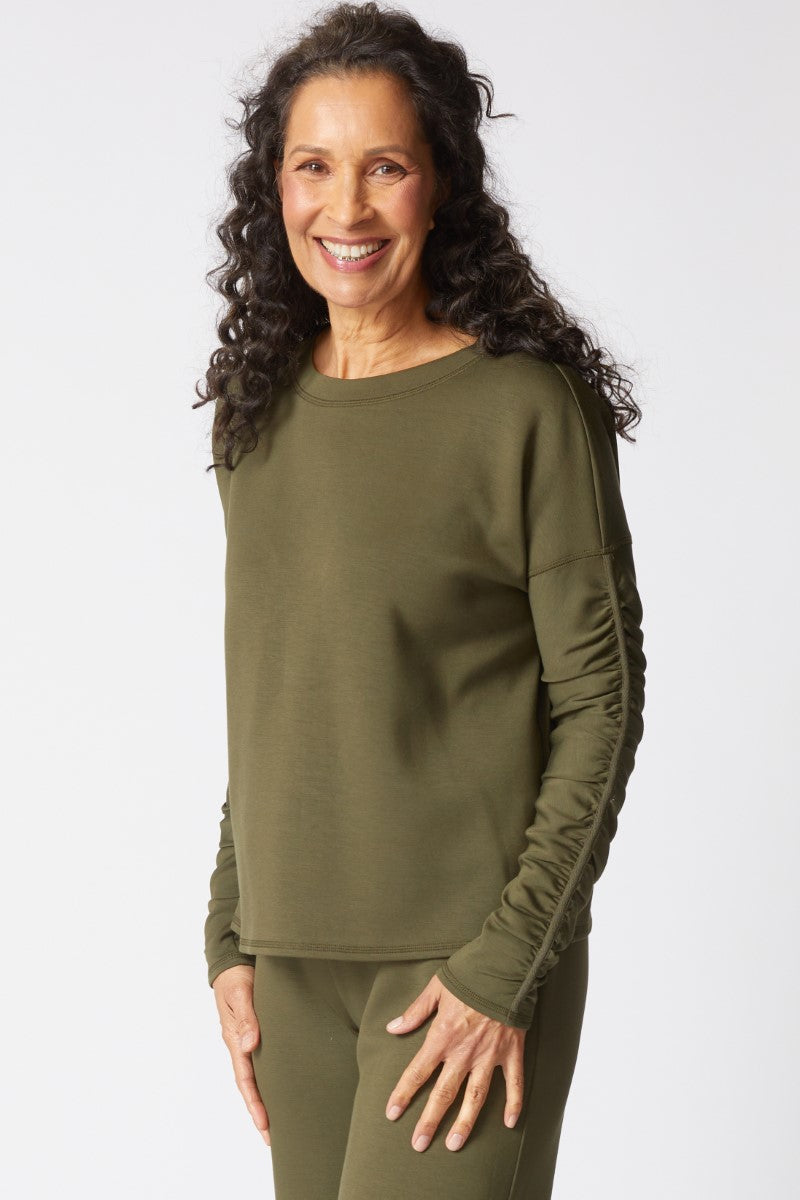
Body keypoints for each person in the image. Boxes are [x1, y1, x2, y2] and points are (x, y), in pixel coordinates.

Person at [196, 4, 647, 1198]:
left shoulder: (521, 409)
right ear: (272, 187)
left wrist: (506, 964)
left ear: (439, 184)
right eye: (313, 166)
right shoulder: (256, 415)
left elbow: (598, 704)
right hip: (290, 966)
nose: (344, 208)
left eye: (384, 167)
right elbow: (279, 694)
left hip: (461, 965)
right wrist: (230, 928)